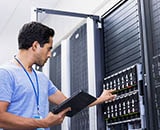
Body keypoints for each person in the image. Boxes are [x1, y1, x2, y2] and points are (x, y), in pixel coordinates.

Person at [0, 21, 116, 130]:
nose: (50, 54)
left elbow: (69, 103)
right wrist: (44, 123)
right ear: (35, 46)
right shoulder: (6, 73)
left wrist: (100, 99)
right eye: (48, 49)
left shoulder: (41, 78)